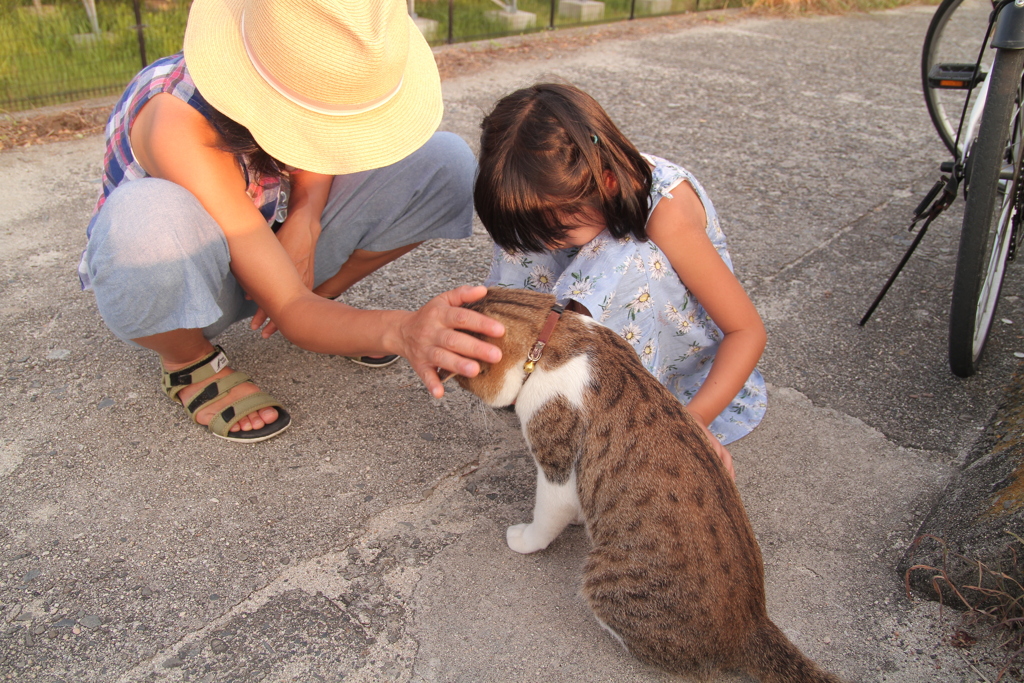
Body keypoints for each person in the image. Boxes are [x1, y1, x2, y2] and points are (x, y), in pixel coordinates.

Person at [78, 0, 503, 443]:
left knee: (445, 162)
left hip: (273, 241)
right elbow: (289, 306)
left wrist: (306, 217)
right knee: (143, 220)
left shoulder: (293, 79)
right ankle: (189, 362)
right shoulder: (175, 121)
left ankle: (324, 305)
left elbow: (321, 139)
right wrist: (401, 331)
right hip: (194, 286)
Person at [475, 83, 767, 477]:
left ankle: (614, 408)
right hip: (585, 343)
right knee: (524, 240)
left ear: (607, 184)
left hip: (677, 382)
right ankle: (543, 367)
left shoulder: (666, 214)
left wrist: (692, 423)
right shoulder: (555, 203)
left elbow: (746, 330)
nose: (544, 244)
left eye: (557, 233)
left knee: (625, 255)